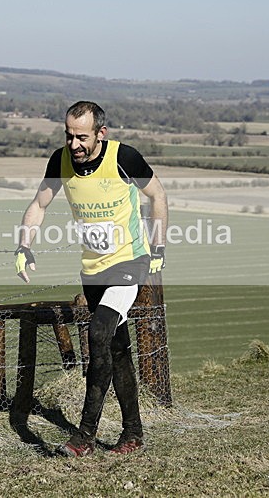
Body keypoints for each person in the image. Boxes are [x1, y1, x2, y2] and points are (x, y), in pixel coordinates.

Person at [14, 100, 168, 456]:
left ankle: (84, 436)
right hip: (93, 270)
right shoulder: (61, 161)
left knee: (98, 333)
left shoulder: (124, 158)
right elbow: (39, 205)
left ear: (101, 133)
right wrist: (24, 247)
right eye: (69, 136)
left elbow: (157, 195)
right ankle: (133, 434)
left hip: (130, 261)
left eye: (81, 137)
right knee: (116, 348)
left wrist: (158, 247)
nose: (74, 145)